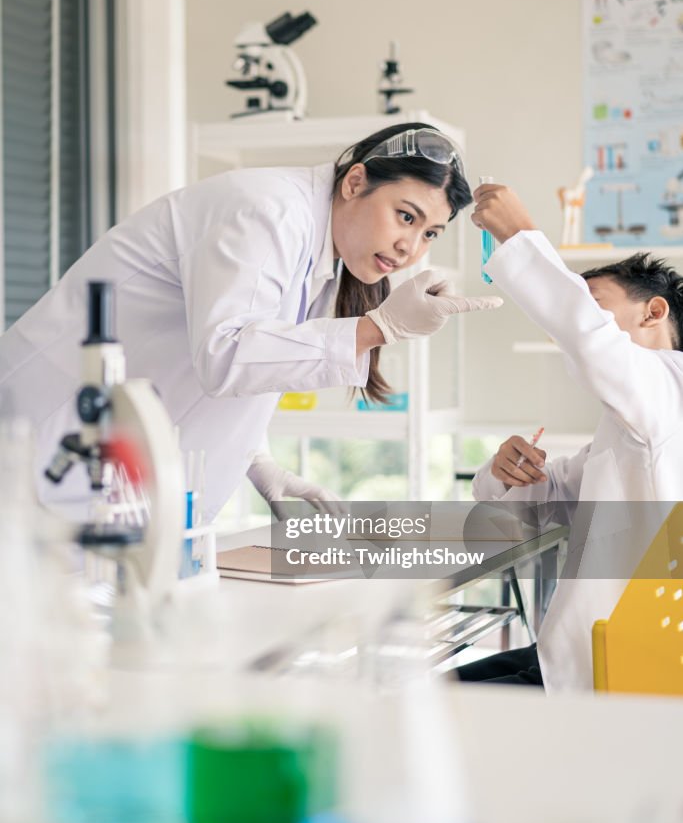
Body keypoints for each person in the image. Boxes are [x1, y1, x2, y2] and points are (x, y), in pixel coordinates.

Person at [0, 122, 502, 521]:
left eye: (430, 234)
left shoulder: (322, 249)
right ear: (355, 182)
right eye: (406, 216)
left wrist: (259, 463)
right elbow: (227, 354)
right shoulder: (267, 212)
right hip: (40, 443)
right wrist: (377, 328)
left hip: (105, 472)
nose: (409, 247)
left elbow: (250, 353)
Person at [460, 181, 683, 691]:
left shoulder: (671, 384)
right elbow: (544, 504)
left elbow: (590, 340)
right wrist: (505, 471)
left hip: (609, 670)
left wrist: (520, 234)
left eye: (591, 299)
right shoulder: (630, 427)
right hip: (566, 655)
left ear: (653, 312)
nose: (576, 315)